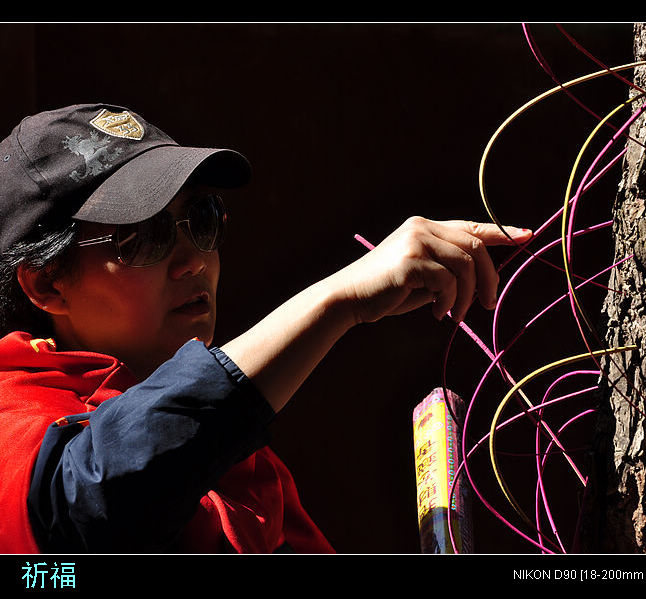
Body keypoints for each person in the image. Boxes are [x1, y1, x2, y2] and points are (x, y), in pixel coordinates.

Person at [0, 103, 532, 553]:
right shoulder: (14, 420)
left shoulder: (241, 463)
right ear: (47, 284)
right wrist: (336, 299)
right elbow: (88, 498)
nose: (194, 262)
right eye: (141, 238)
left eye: (203, 220)